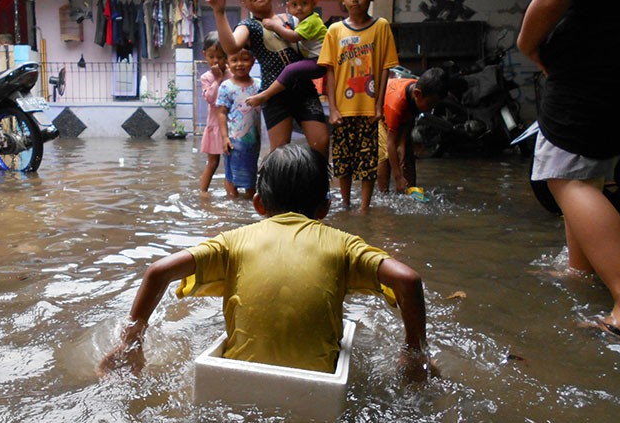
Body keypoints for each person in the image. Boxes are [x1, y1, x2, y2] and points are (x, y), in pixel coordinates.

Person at [97, 144, 433, 380]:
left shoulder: (234, 240)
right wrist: (414, 353)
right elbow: (408, 280)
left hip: (238, 377)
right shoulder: (342, 244)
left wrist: (130, 344)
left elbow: (158, 271)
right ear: (324, 209)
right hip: (319, 381)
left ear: (258, 204)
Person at [517, 0, 620, 334]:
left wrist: (526, 43)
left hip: (589, 55)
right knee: (589, 169)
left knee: (563, 176)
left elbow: (550, 0)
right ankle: (579, 268)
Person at [206, 0, 330, 158]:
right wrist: (219, 12)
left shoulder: (293, 19)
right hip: (274, 97)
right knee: (280, 152)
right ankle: (272, 188)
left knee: (321, 141)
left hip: (304, 90)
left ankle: (318, 187)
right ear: (243, 1)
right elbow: (231, 47)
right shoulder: (249, 26)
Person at [317, 0, 399, 211]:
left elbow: (385, 68)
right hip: (342, 111)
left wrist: (378, 105)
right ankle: (345, 204)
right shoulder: (334, 31)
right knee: (342, 162)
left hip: (368, 110)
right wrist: (331, 108)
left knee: (368, 161)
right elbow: (329, 71)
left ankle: (364, 207)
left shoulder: (381, 27)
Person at [244, 0, 328, 108]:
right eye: (295, 5)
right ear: (288, 6)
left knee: (290, 70)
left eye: (304, 3)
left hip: (318, 62)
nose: (299, 8)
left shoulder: (311, 21)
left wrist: (275, 26)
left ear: (314, 2)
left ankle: (266, 94)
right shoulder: (298, 20)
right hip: (314, 60)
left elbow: (293, 37)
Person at [378, 68, 448, 194]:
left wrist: (403, 144)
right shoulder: (396, 104)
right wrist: (398, 176)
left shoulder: (419, 93)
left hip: (402, 116)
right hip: (381, 114)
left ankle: (409, 191)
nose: (431, 109)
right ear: (417, 94)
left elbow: (409, 120)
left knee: (407, 154)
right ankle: (384, 194)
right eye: (430, 104)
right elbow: (391, 143)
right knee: (385, 155)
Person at [216, 48, 262, 198]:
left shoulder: (259, 85)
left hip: (253, 140)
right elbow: (222, 113)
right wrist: (224, 138)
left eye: (245, 59)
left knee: (251, 172)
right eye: (234, 60)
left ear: (253, 61)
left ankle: (250, 201)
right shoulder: (226, 87)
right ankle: (232, 202)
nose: (239, 64)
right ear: (228, 62)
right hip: (233, 140)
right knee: (231, 174)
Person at [199, 31, 231, 193]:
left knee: (230, 164)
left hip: (231, 127)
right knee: (212, 163)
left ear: (227, 55)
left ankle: (231, 195)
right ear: (205, 55)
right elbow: (211, 98)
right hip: (214, 127)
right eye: (212, 57)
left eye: (220, 57)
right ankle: (203, 193)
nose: (216, 61)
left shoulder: (233, 74)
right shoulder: (206, 77)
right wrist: (218, 80)